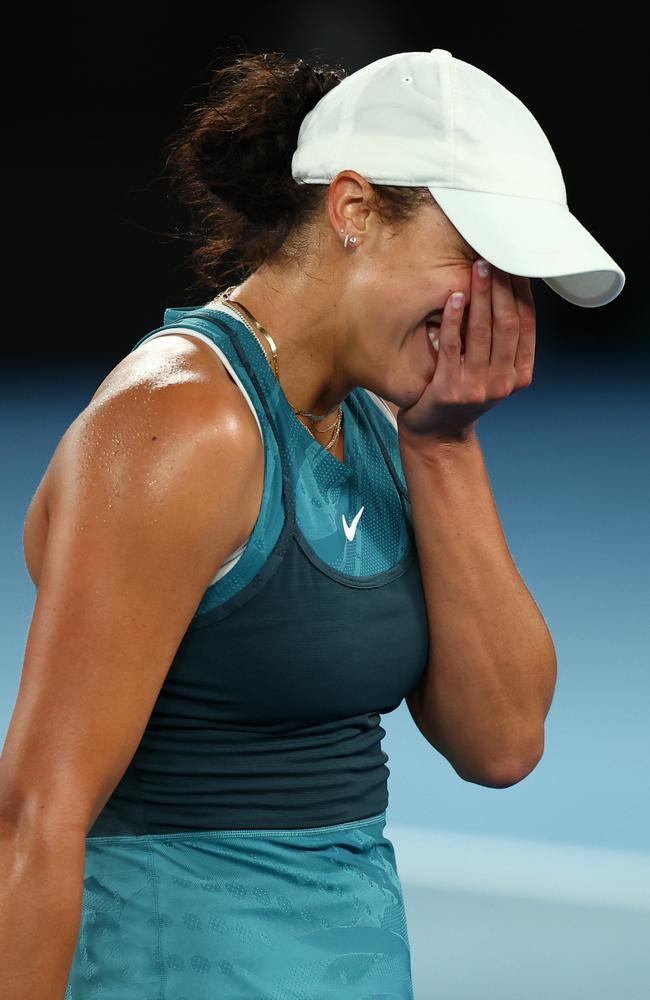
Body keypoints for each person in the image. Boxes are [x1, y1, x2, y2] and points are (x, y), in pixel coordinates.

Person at [0, 48, 624, 999]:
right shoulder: (180, 426)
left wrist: (446, 450)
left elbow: (501, 744)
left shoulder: (387, 425)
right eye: (474, 259)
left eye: (516, 279)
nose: (494, 310)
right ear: (354, 211)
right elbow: (33, 819)